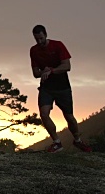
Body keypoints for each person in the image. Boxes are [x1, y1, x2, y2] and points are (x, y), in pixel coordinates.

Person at [30, 24, 92, 153]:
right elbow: (35, 73)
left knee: (69, 116)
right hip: (46, 87)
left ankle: (77, 140)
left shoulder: (58, 45)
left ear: (46, 34)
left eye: (41, 38)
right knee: (44, 114)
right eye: (37, 39)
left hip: (62, 87)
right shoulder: (33, 50)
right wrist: (44, 72)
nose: (39, 41)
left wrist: (51, 71)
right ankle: (57, 142)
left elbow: (67, 66)